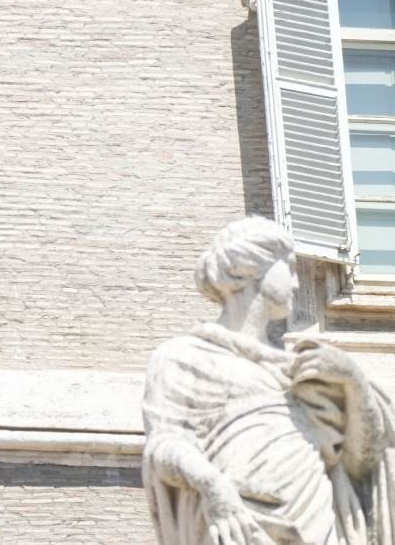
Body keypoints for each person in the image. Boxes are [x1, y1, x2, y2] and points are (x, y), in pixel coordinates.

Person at [142, 217, 395, 545]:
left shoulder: (304, 369)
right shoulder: (183, 357)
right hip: (236, 522)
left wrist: (353, 381)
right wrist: (213, 487)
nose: (295, 284)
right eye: (288, 268)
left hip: (318, 520)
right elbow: (165, 445)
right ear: (247, 269)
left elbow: (364, 461)